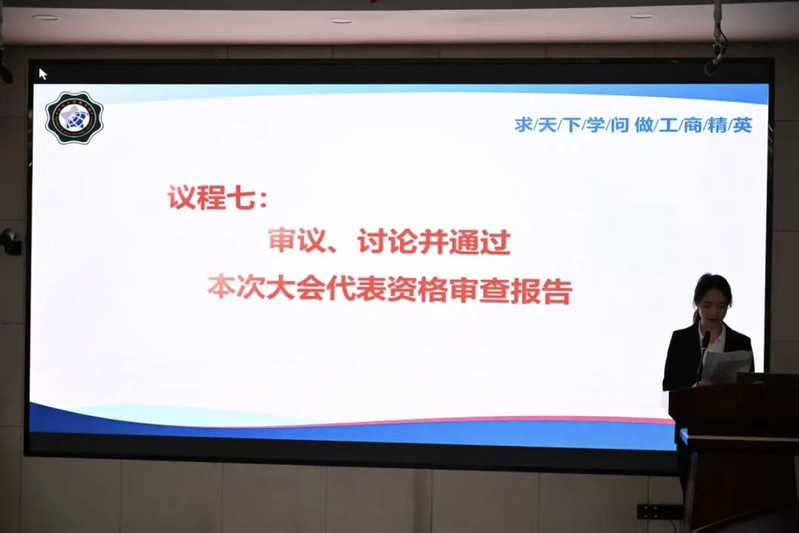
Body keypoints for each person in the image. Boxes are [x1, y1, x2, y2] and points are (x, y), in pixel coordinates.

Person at [662, 273, 754, 498]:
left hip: (727, 436)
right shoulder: (681, 339)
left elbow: (749, 389)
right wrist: (693, 389)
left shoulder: (741, 342)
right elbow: (669, 386)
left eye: (721, 306)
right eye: (707, 305)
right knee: (693, 501)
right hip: (690, 434)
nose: (714, 312)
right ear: (697, 304)